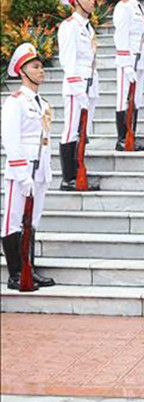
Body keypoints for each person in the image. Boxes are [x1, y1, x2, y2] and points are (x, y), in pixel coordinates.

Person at [1, 44, 56, 291]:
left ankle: (28, 269)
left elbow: (44, 139)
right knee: (13, 221)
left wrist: (47, 169)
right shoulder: (15, 103)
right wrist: (22, 175)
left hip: (40, 169)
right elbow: (11, 141)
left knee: (32, 221)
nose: (41, 70)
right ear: (23, 72)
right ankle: (15, 274)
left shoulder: (42, 103)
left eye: (41, 66)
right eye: (35, 67)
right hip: (21, 172)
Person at [58, 0, 100, 191]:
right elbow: (68, 61)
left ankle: (79, 171)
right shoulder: (70, 27)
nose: (92, 1)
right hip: (76, 86)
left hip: (89, 84)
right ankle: (68, 177)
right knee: (71, 129)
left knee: (83, 131)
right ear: (76, 1)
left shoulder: (87, 27)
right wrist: (78, 89)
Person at [113, 0, 144, 152]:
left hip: (140, 59)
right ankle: (121, 139)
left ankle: (131, 136)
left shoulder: (138, 7)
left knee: (136, 99)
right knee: (124, 99)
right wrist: (126, 63)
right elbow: (121, 36)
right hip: (128, 61)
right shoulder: (124, 7)